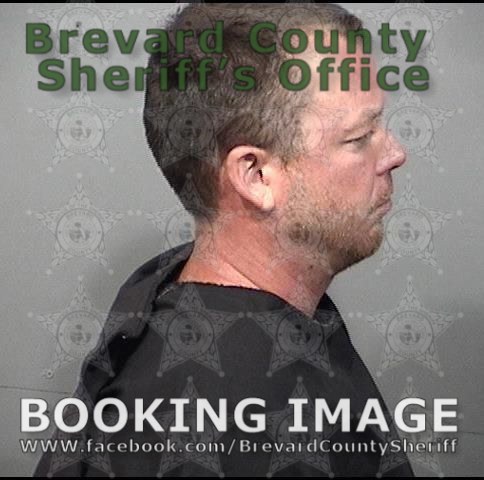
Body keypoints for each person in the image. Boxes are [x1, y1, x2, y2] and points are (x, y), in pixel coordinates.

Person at [33, 3, 413, 477]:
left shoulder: (171, 291)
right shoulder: (225, 430)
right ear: (255, 175)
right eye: (359, 137)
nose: (395, 153)